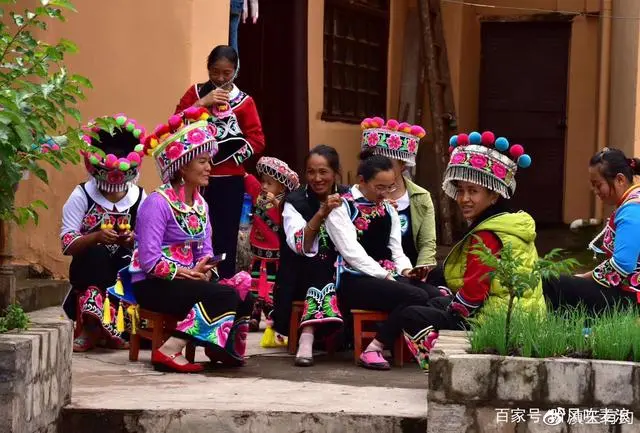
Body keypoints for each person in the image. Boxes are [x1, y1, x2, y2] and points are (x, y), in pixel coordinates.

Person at [398, 131, 544, 370]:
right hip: (518, 316)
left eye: (473, 191)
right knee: (435, 301)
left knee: (412, 315)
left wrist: (453, 307)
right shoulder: (511, 224)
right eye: (462, 190)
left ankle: (442, 366)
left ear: (494, 195)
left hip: (494, 321)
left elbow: (474, 294)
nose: (464, 198)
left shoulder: (488, 234)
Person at [129, 106, 253, 373]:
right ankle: (169, 350)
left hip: (187, 279)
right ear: (183, 166)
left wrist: (205, 269)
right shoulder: (156, 204)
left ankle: (220, 349)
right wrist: (188, 273)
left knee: (244, 295)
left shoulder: (200, 205)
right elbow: (150, 262)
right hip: (155, 284)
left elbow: (204, 252)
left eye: (209, 161)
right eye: (203, 162)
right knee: (223, 296)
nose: (210, 167)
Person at [323, 150, 439, 370]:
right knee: (415, 295)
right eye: (380, 187)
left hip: (386, 275)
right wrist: (386, 275)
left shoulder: (387, 207)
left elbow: (395, 249)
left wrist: (406, 271)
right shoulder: (341, 208)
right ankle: (373, 348)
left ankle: (416, 344)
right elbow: (352, 253)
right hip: (354, 278)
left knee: (434, 295)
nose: (386, 193)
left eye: (390, 187)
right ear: (362, 181)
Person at [175, 45, 265, 278]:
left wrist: (228, 156)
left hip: (228, 180)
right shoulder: (195, 93)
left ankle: (222, 285)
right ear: (208, 68)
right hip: (192, 176)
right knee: (189, 230)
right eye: (215, 72)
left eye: (227, 73)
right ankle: (189, 278)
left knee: (224, 236)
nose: (221, 78)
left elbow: (257, 139)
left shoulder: (245, 102)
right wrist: (201, 103)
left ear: (236, 71)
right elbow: (174, 125)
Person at [60, 114, 147, 352]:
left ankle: (118, 328)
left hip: (122, 266)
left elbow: (149, 243)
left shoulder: (140, 198)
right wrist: (95, 237)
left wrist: (131, 241)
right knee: (96, 255)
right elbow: (67, 243)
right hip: (90, 268)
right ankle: (91, 326)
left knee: (130, 264)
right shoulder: (82, 195)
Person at [543, 148, 640, 313]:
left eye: (598, 185)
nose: (595, 191)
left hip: (630, 298)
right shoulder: (631, 203)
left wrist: (585, 277)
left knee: (551, 284)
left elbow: (622, 265)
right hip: (627, 292)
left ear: (620, 180)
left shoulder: (632, 210)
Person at [275, 145, 347, 366]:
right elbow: (300, 245)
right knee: (319, 263)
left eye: (323, 171)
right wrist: (321, 213)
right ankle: (307, 335)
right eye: (311, 172)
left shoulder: (349, 197)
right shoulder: (294, 202)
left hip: (344, 272)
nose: (317, 178)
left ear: (335, 173)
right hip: (300, 276)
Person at [360, 117, 437, 275]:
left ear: (402, 164)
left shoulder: (420, 197)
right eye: (374, 163)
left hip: (410, 270)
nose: (379, 169)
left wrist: (420, 272)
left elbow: (427, 244)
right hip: (371, 271)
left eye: (387, 163)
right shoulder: (359, 195)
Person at [244, 156, 300, 331]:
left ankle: (272, 315)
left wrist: (276, 203)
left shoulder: (286, 204)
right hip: (258, 252)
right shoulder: (258, 195)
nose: (265, 186)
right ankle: (253, 315)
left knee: (270, 284)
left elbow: (284, 220)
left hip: (275, 254)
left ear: (282, 187)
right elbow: (247, 179)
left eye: (270, 183)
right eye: (264, 182)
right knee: (255, 281)